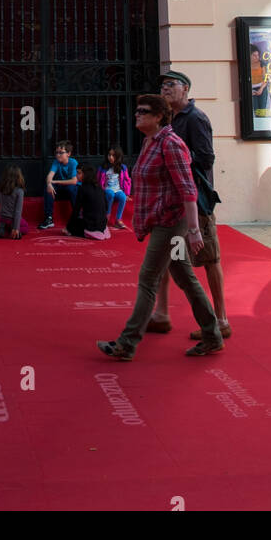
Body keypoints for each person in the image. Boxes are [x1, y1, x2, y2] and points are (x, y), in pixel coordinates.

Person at [96, 94, 222, 361]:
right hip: (162, 221)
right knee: (185, 278)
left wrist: (194, 230)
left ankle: (126, 344)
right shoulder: (151, 142)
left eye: (143, 111)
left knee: (147, 280)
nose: (137, 114)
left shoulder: (171, 144)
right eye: (137, 110)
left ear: (159, 117)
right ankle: (212, 335)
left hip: (170, 224)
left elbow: (187, 189)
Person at [148, 71, 231, 340]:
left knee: (209, 258)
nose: (165, 89)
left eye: (170, 84)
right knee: (166, 257)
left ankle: (221, 319)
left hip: (196, 199)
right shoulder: (166, 119)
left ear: (185, 88)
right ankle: (161, 312)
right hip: (170, 199)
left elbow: (206, 159)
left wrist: (177, 156)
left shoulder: (195, 118)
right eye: (162, 85)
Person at [39, 141, 79, 230]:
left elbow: (74, 181)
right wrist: (49, 184)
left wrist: (55, 182)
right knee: (48, 188)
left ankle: (78, 216)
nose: (58, 155)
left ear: (68, 153)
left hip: (71, 186)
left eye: (61, 152)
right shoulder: (56, 162)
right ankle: (49, 218)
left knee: (72, 188)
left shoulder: (73, 163)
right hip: (62, 185)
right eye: (56, 152)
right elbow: (49, 176)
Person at [66, 164, 110, 240]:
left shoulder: (82, 189)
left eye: (79, 173)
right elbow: (106, 206)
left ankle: (89, 232)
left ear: (86, 174)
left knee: (74, 226)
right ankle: (102, 230)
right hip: (102, 223)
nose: (76, 175)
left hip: (91, 224)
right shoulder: (99, 187)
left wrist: (68, 227)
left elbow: (76, 210)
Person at [99, 147, 131, 229]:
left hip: (118, 189)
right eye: (109, 155)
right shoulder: (103, 167)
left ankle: (118, 219)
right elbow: (98, 180)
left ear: (118, 156)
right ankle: (107, 215)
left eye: (113, 155)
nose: (111, 157)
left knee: (123, 197)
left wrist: (127, 193)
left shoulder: (123, 168)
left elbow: (127, 180)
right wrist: (99, 190)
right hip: (107, 189)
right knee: (110, 193)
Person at [0, 166, 29, 239]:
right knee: (26, 227)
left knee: (7, 221)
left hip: (2, 217)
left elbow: (2, 205)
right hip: (12, 218)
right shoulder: (19, 191)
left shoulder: (1, 189)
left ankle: (2, 228)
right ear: (19, 177)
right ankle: (12, 231)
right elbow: (18, 211)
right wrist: (16, 228)